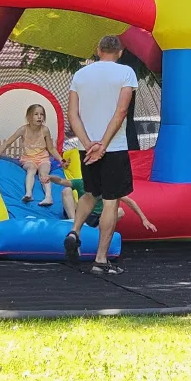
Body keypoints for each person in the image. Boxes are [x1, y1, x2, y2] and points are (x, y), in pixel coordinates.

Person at [64, 34, 139, 274]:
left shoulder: (80, 75)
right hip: (113, 147)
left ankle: (74, 231)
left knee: (91, 192)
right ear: (120, 52)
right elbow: (121, 111)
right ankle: (101, 259)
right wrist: (104, 145)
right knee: (110, 201)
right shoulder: (126, 72)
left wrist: (89, 144)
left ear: (98, 50)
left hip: (87, 148)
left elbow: (72, 114)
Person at [0, 104, 63, 206]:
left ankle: (48, 197)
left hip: (43, 158)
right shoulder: (23, 129)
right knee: (31, 169)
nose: (39, 117)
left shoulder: (45, 130)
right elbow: (8, 142)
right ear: (29, 117)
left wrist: (61, 160)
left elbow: (51, 148)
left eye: (42, 114)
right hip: (28, 159)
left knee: (43, 173)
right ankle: (29, 194)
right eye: (36, 114)